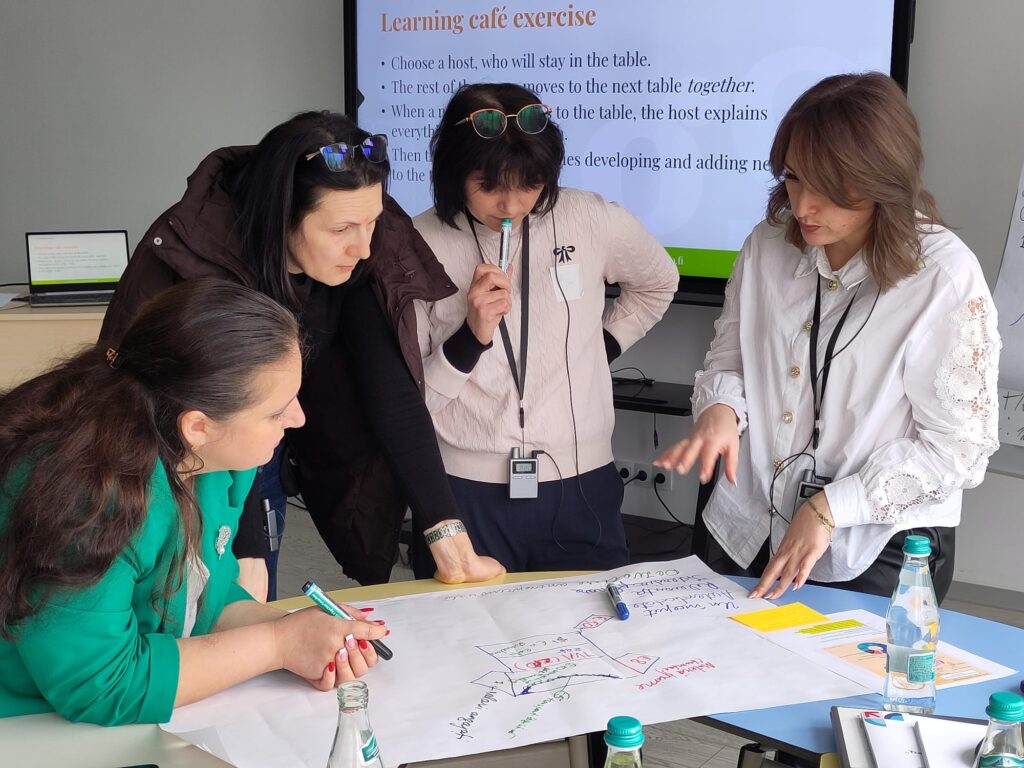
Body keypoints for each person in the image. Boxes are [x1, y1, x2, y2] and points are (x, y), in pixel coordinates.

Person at [100, 111, 504, 600]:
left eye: (372, 223)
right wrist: (243, 544)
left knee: (253, 598)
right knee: (200, 600)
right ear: (283, 217)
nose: (363, 247)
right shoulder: (199, 259)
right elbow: (185, 413)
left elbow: (391, 389)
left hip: (262, 442)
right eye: (342, 230)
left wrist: (445, 531)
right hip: (178, 460)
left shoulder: (357, 253)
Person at [655, 73, 1000, 604]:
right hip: (745, 520)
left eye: (829, 190)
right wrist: (720, 408)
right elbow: (730, 359)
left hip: (871, 543)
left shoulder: (944, 278)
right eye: (794, 179)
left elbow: (959, 450)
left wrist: (831, 507)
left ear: (883, 182)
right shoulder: (766, 246)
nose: (802, 208)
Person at [0, 279, 387, 725]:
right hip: (27, 725)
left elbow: (207, 595)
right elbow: (103, 685)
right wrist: (278, 644)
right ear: (198, 426)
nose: (299, 417)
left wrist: (298, 632)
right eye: (276, 410)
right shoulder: (83, 499)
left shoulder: (216, 461)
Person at [413, 83, 679, 574]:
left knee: (592, 619)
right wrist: (470, 338)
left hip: (581, 483)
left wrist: (599, 348)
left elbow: (658, 283)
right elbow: (410, 401)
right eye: (489, 186)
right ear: (454, 173)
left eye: (530, 184)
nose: (512, 205)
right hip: (463, 489)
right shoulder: (416, 243)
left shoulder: (591, 218)